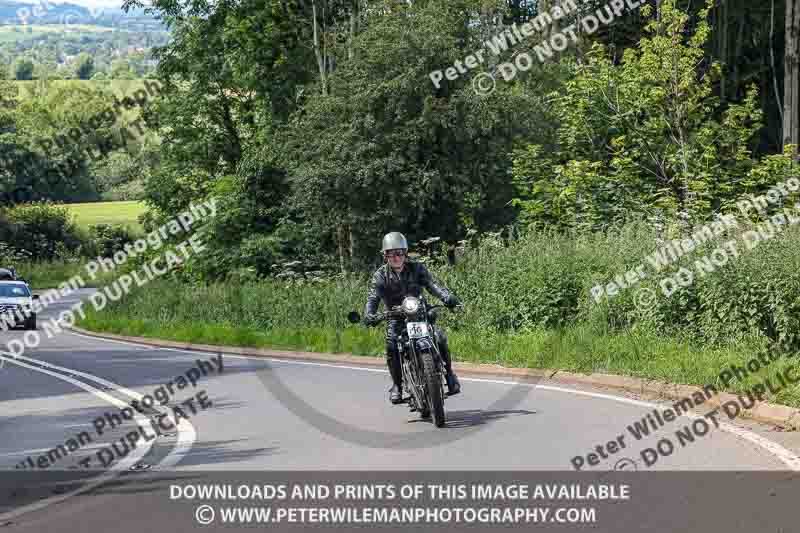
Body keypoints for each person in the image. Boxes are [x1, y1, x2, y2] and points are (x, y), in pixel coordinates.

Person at [363, 232, 461, 404]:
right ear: (385, 256)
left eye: (399, 253)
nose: (395, 257)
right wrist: (369, 314)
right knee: (391, 345)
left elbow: (432, 285)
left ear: (405, 253)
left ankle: (450, 374)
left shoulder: (417, 268)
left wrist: (446, 297)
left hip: (420, 313)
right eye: (390, 254)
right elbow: (373, 298)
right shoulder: (380, 276)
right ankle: (397, 385)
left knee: (439, 336)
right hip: (396, 317)